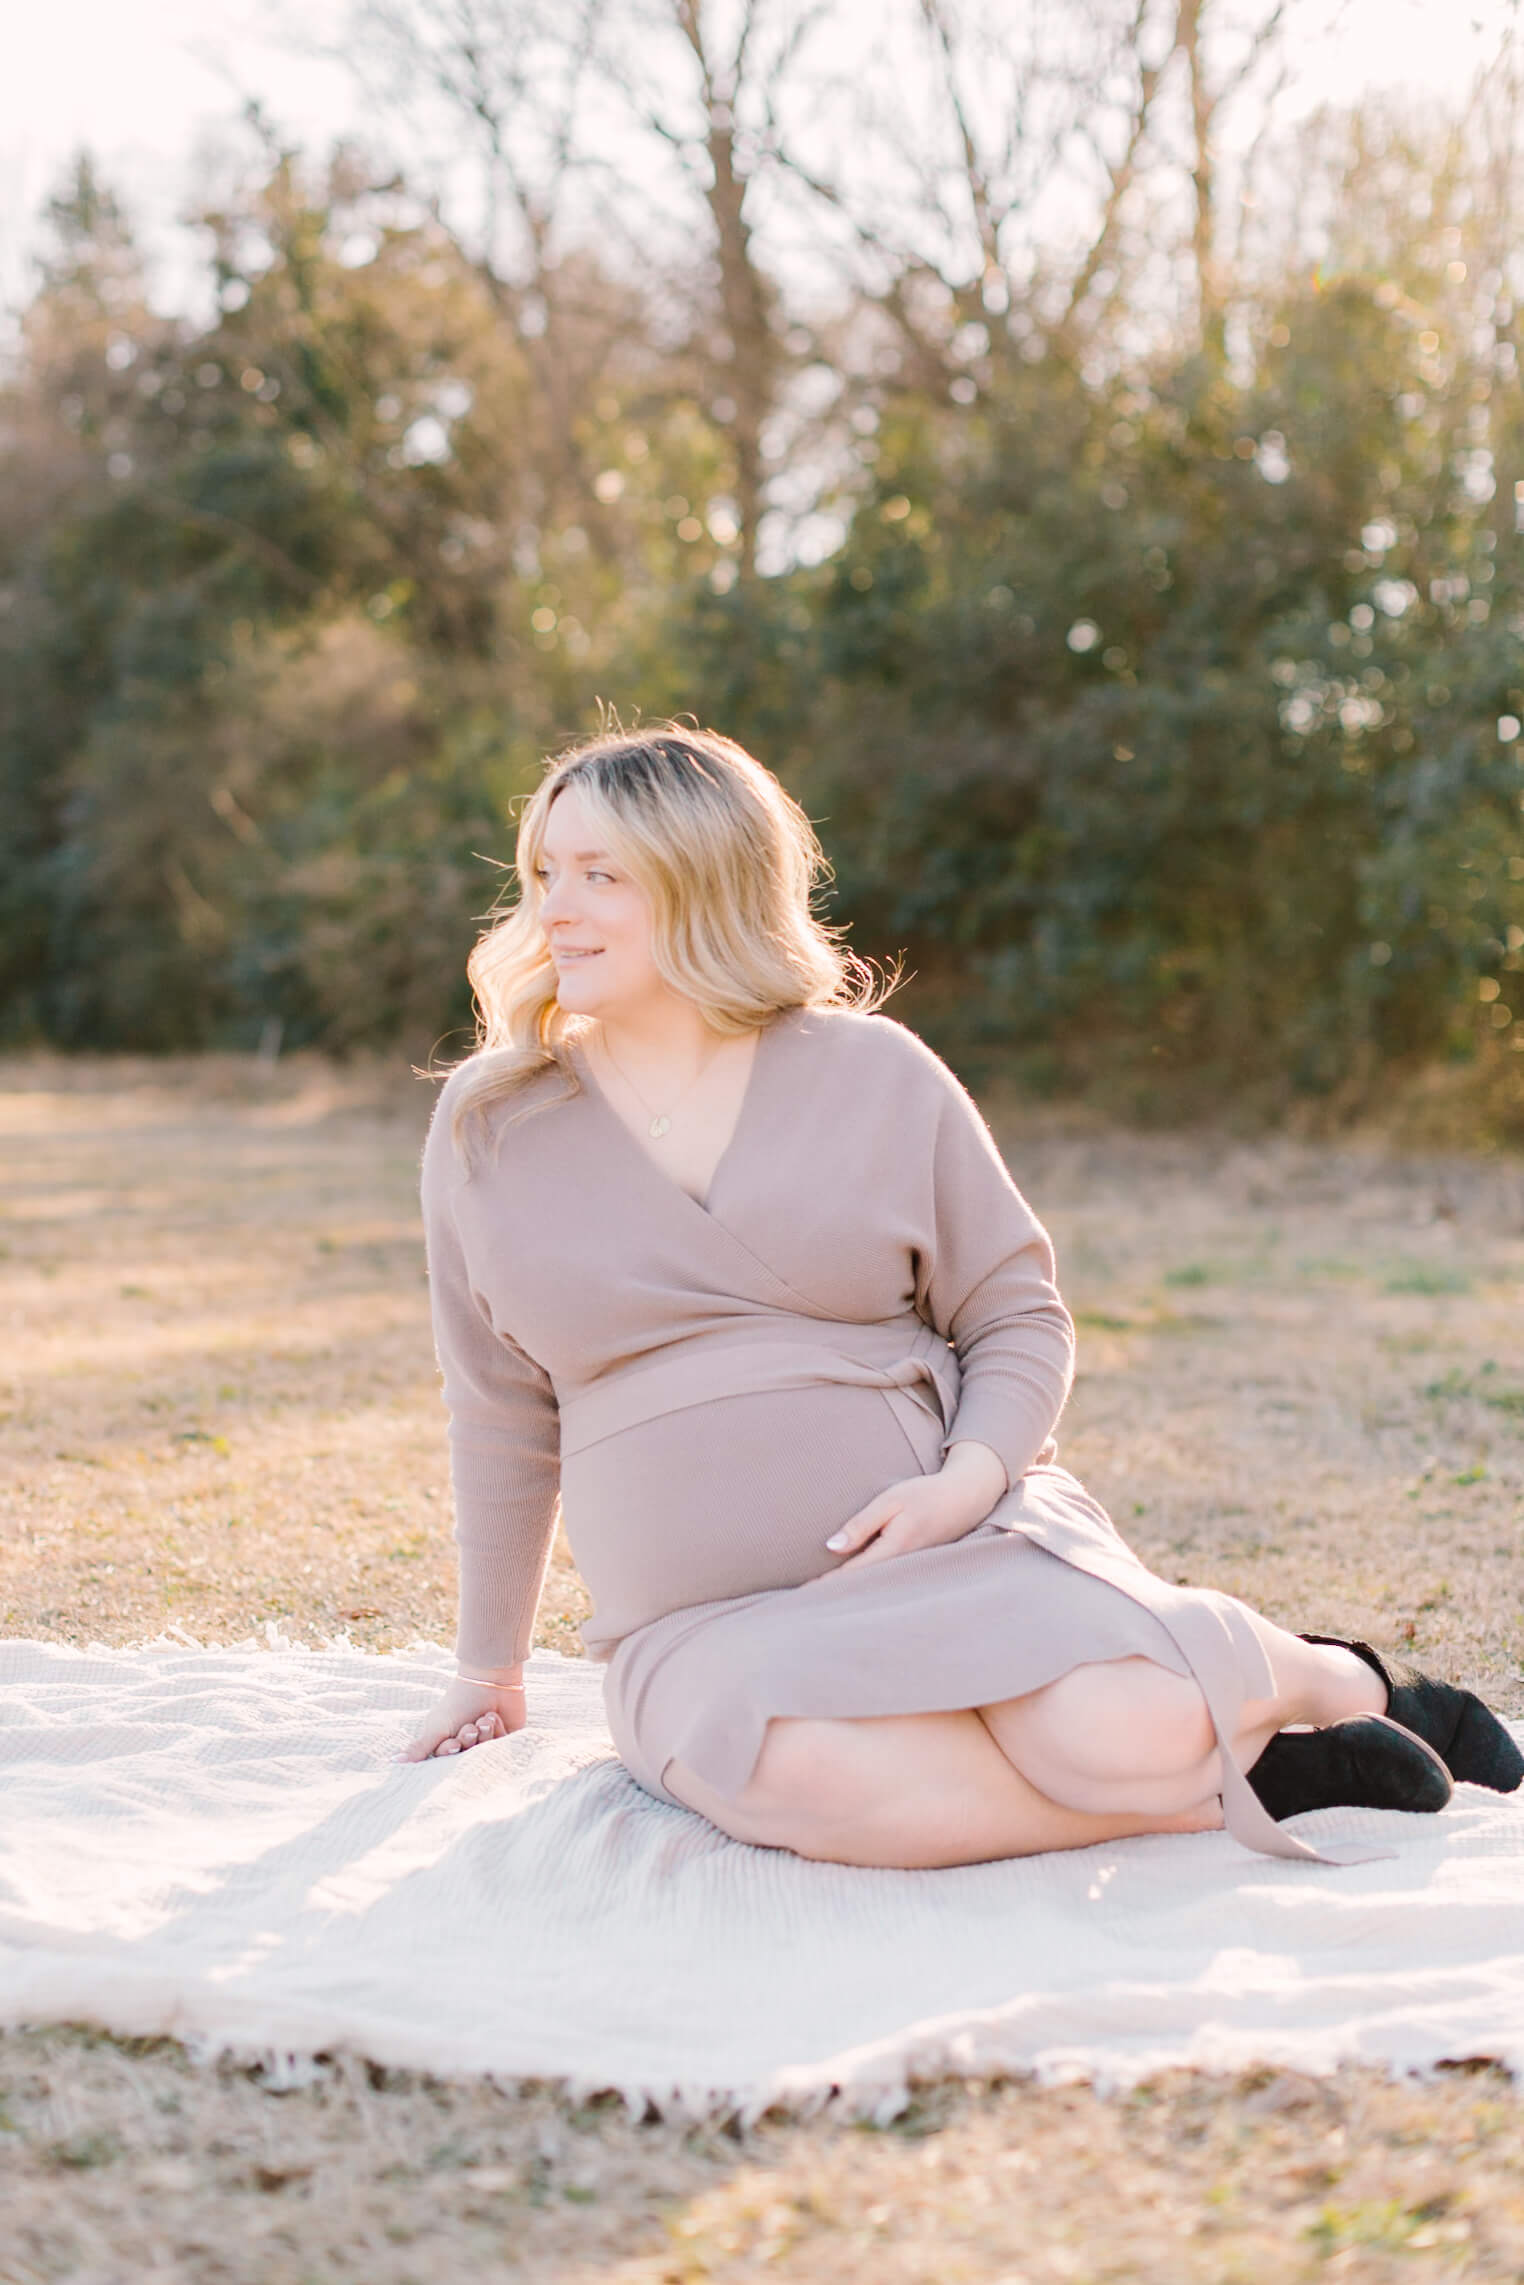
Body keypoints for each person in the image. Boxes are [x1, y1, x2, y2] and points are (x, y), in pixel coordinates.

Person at [399, 725, 1522, 1870]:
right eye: (544, 872)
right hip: (706, 1631)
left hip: (966, 1544)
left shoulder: (873, 1073)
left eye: (602, 874)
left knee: (1112, 1729)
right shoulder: (493, 1125)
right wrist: (488, 1672)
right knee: (830, 1778)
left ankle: (1346, 1678)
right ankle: (1235, 1778)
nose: (557, 908)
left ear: (706, 882)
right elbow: (496, 1412)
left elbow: (1016, 1312)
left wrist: (964, 1481)